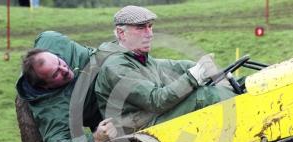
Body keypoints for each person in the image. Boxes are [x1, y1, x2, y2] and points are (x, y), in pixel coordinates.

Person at [95, 5, 236, 134]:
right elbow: (155, 100)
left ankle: (243, 91)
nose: (149, 34)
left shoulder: (137, 57)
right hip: (138, 129)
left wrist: (203, 67)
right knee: (203, 96)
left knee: (213, 88)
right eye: (141, 28)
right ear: (121, 33)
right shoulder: (116, 67)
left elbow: (171, 66)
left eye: (150, 26)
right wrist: (194, 76)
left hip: (149, 117)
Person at [16, 31, 116, 142]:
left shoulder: (50, 40)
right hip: (108, 111)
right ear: (46, 86)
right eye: (55, 74)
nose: (64, 69)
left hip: (120, 67)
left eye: (59, 62)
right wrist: (95, 139)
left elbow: (43, 36)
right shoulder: (53, 107)